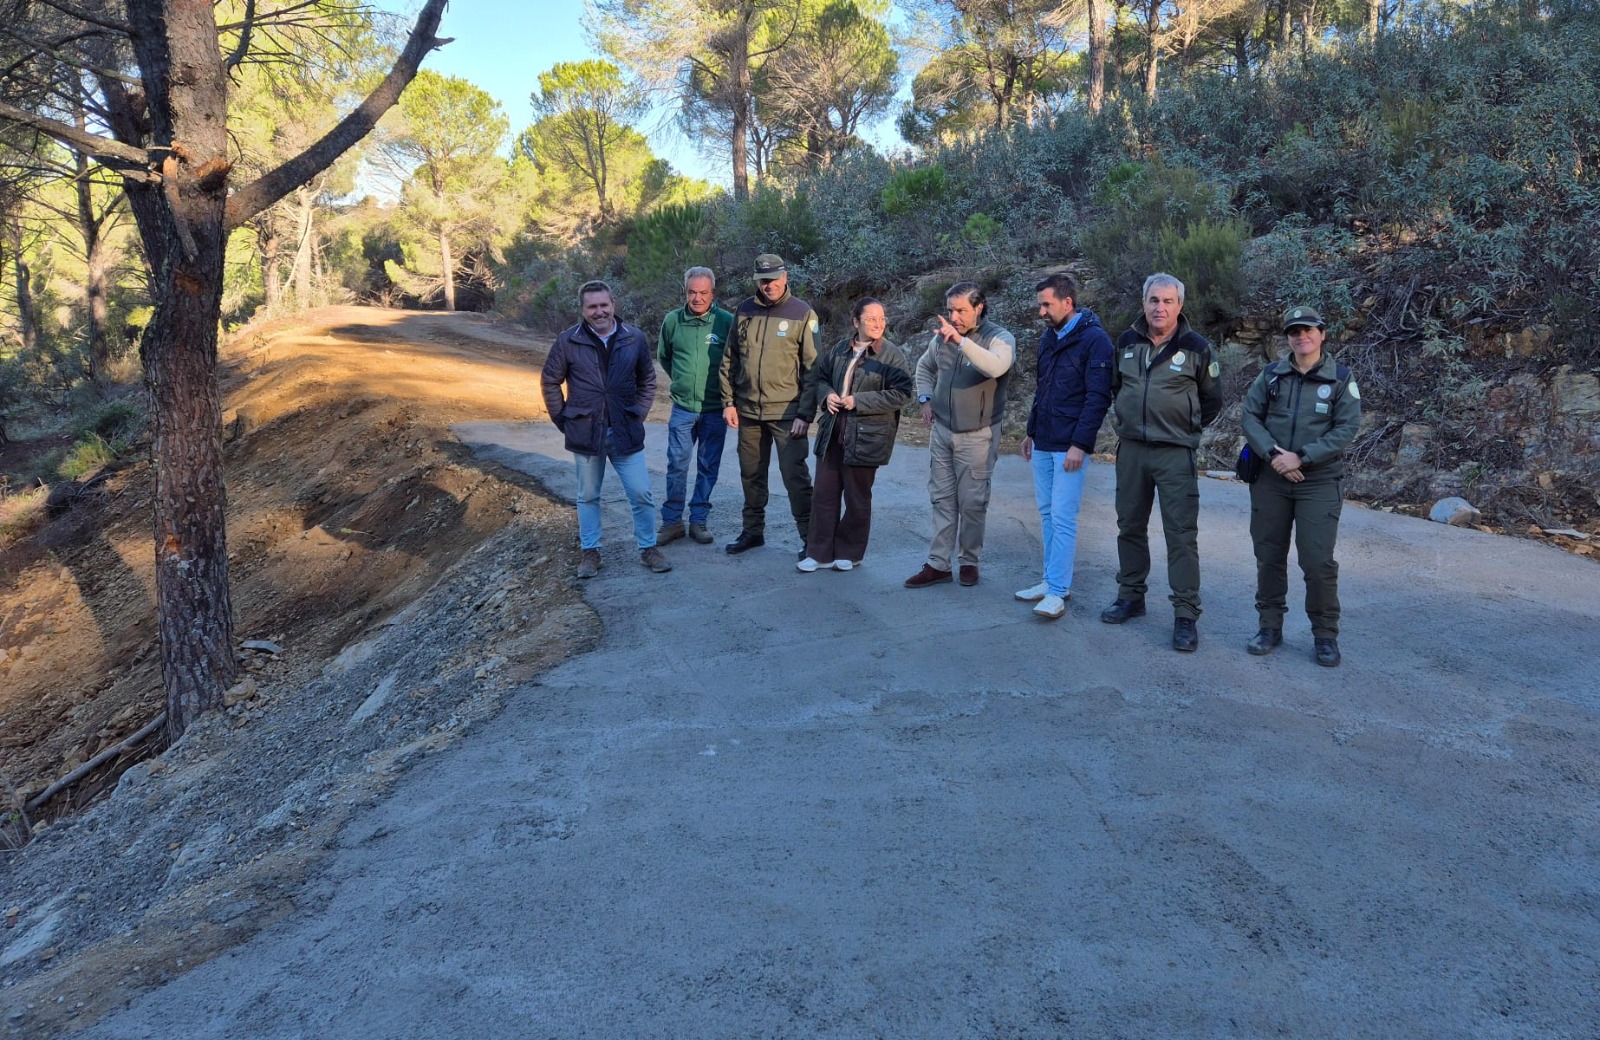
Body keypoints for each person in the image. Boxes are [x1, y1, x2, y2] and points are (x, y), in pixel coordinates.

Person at [1101, 272, 1222, 650]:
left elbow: (1212, 400)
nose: (1160, 307)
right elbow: (1118, 388)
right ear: (1144, 303)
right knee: (1130, 526)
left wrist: (1182, 427)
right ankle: (1131, 596)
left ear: (1180, 306)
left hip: (1175, 453)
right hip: (1133, 450)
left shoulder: (1197, 347)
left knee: (1181, 536)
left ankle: (1185, 614)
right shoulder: (1126, 342)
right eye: (1154, 300)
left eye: (1168, 301)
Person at [1240, 305, 1362, 667]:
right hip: (1271, 478)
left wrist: (1302, 457)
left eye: (1308, 329)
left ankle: (1325, 635)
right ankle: (1269, 627)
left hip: (1318, 481)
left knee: (1317, 561)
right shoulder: (1272, 375)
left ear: (1322, 334)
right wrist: (1274, 456)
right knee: (1269, 556)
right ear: (1288, 338)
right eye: (1294, 331)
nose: (1301, 336)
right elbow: (1250, 416)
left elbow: (1346, 429)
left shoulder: (1341, 378)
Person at [540, 280, 671, 579]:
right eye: (592, 307)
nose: (599, 312)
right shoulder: (567, 341)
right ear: (583, 310)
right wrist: (563, 419)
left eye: (603, 305)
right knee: (587, 495)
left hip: (626, 430)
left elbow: (647, 380)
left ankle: (648, 548)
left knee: (641, 493)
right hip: (585, 431)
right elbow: (550, 381)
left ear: (613, 304)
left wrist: (638, 412)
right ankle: (591, 552)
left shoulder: (634, 338)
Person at [904, 281, 1016, 589]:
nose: (954, 317)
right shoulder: (942, 339)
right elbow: (924, 368)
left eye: (961, 310)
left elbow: (997, 366)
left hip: (978, 435)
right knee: (941, 499)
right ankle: (938, 564)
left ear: (979, 308)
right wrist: (925, 399)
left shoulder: (1000, 338)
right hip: (942, 431)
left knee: (972, 502)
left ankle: (969, 561)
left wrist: (962, 342)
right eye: (950, 310)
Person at [1016, 273, 1114, 619]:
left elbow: (1097, 398)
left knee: (1062, 515)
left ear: (1067, 303)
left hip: (1070, 446)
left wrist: (1080, 445)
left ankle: (1058, 591)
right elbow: (1043, 390)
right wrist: (1031, 431)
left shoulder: (1095, 341)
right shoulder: (1048, 338)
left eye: (1047, 304)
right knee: (1046, 514)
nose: (1041, 311)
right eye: (1040, 304)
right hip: (1043, 439)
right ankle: (1050, 580)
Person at [797, 298, 913, 572]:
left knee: (857, 498)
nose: (878, 324)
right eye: (871, 319)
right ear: (856, 322)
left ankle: (850, 552)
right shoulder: (840, 348)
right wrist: (827, 396)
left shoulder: (891, 354)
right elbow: (821, 378)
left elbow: (902, 393)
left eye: (882, 318)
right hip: (832, 432)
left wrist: (857, 400)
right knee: (824, 494)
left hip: (867, 436)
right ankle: (819, 553)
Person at [719, 254, 820, 556]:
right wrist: (728, 402)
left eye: (774, 279)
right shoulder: (744, 310)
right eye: (763, 280)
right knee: (751, 475)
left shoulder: (803, 313)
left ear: (785, 277)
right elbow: (729, 358)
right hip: (748, 412)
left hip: (788, 415)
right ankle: (752, 532)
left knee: (795, 477)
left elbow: (814, 369)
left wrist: (805, 413)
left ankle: (811, 539)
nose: (769, 285)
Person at [656, 266, 733, 546]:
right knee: (677, 465)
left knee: (707, 465)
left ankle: (698, 521)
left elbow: (734, 363)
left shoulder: (727, 322)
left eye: (703, 292)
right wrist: (682, 381)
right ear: (685, 292)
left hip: (715, 409)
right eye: (692, 292)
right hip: (683, 409)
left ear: (713, 292)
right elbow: (665, 356)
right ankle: (672, 522)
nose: (697, 298)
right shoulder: (673, 321)